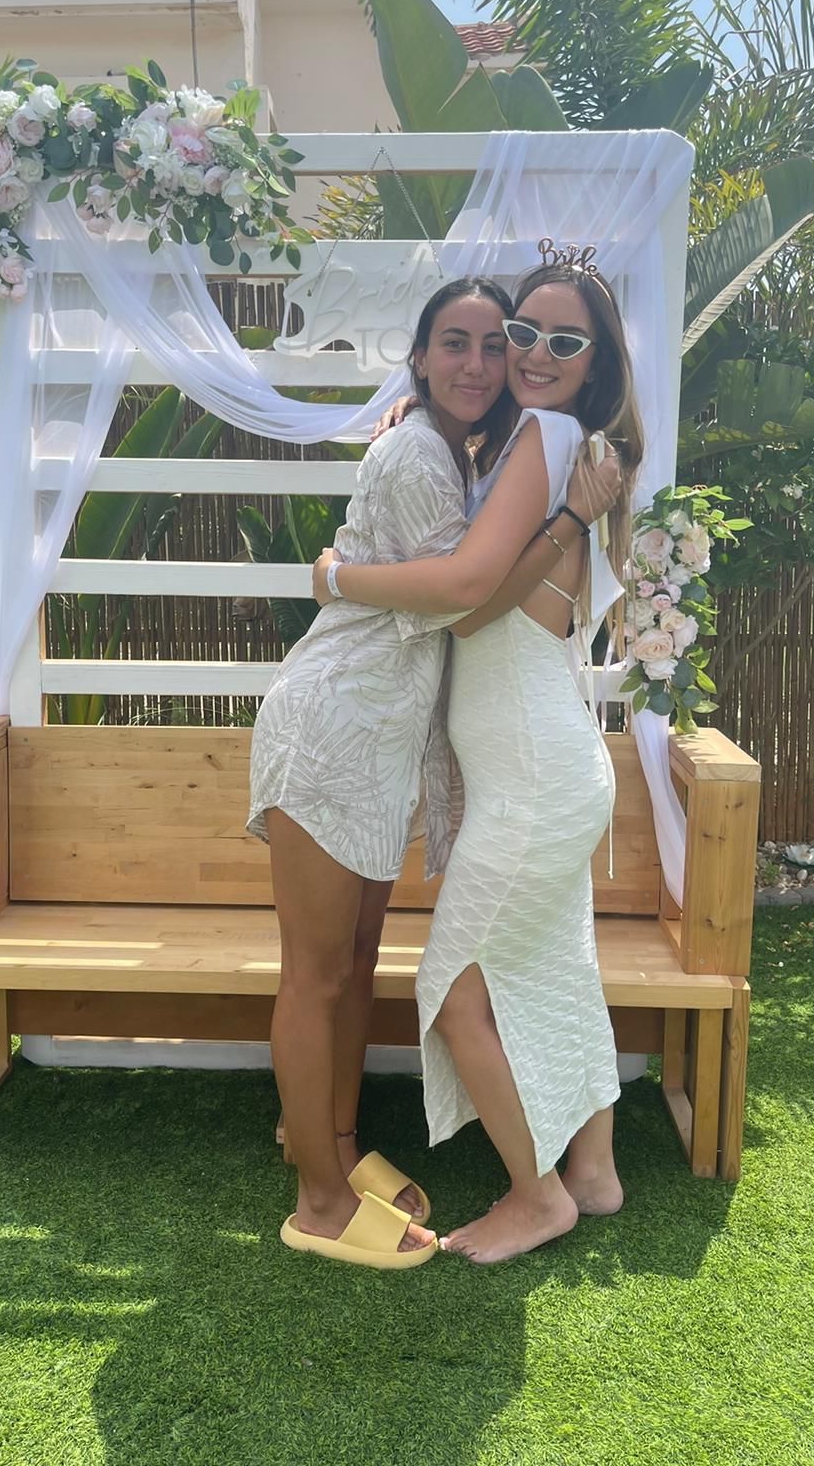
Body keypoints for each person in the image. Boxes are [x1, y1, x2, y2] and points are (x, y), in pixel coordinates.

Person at [247, 275, 615, 1269]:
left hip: (379, 743)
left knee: (353, 962)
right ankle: (319, 1198)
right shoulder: (423, 452)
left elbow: (470, 584)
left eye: (498, 344)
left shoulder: (475, 451)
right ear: (417, 358)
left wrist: (340, 569)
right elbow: (462, 593)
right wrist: (335, 574)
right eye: (459, 343)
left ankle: (334, 1147)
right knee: (319, 974)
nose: (487, 362)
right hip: (333, 729)